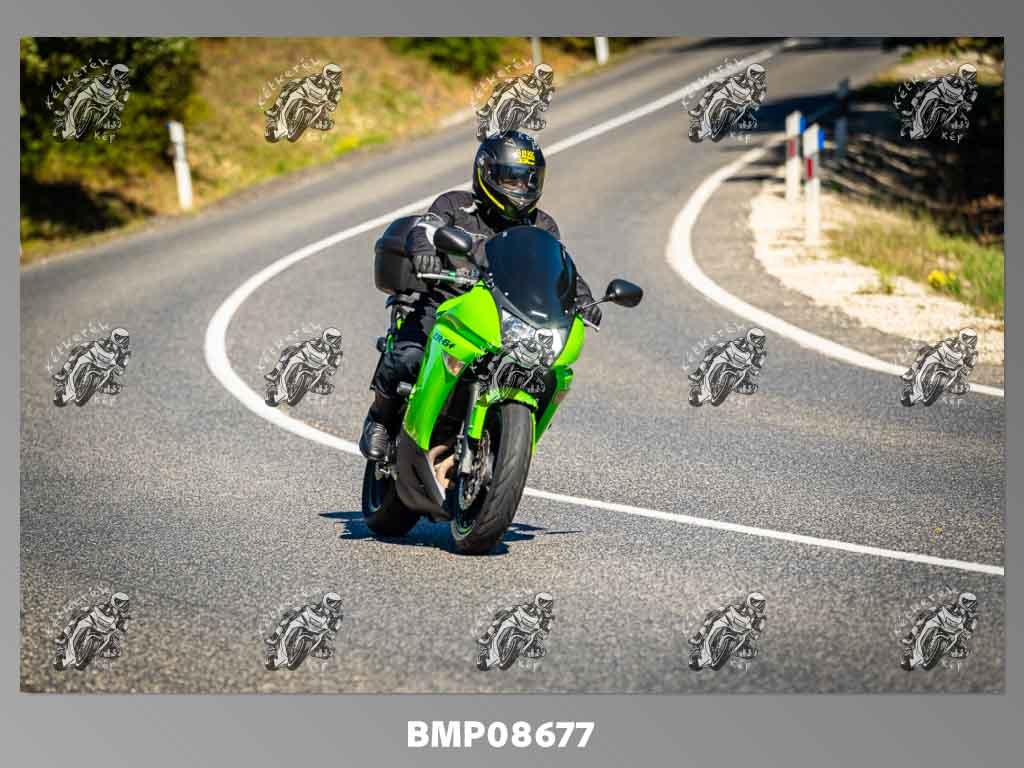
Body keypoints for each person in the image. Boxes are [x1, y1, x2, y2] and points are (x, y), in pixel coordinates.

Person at [359, 131, 602, 460]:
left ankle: (499, 442)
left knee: (544, 371)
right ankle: (380, 420)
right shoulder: (454, 205)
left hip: (503, 312)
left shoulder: (542, 225)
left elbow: (559, 266)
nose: (521, 188)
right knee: (409, 357)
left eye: (529, 180)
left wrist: (583, 299)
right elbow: (425, 229)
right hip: (446, 303)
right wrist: (424, 253)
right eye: (512, 179)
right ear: (486, 173)